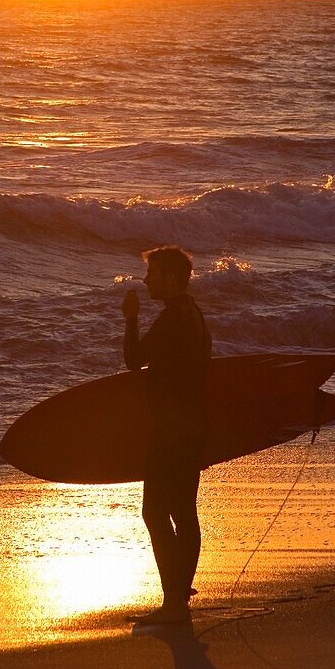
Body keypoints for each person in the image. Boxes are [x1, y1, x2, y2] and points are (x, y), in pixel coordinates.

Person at [121, 245, 212, 624]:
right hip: (192, 428)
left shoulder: (173, 317)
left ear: (171, 278)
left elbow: (133, 359)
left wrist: (130, 318)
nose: (146, 281)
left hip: (171, 433)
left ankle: (174, 599)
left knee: (156, 512)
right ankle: (178, 595)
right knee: (182, 512)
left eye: (152, 274)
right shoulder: (195, 315)